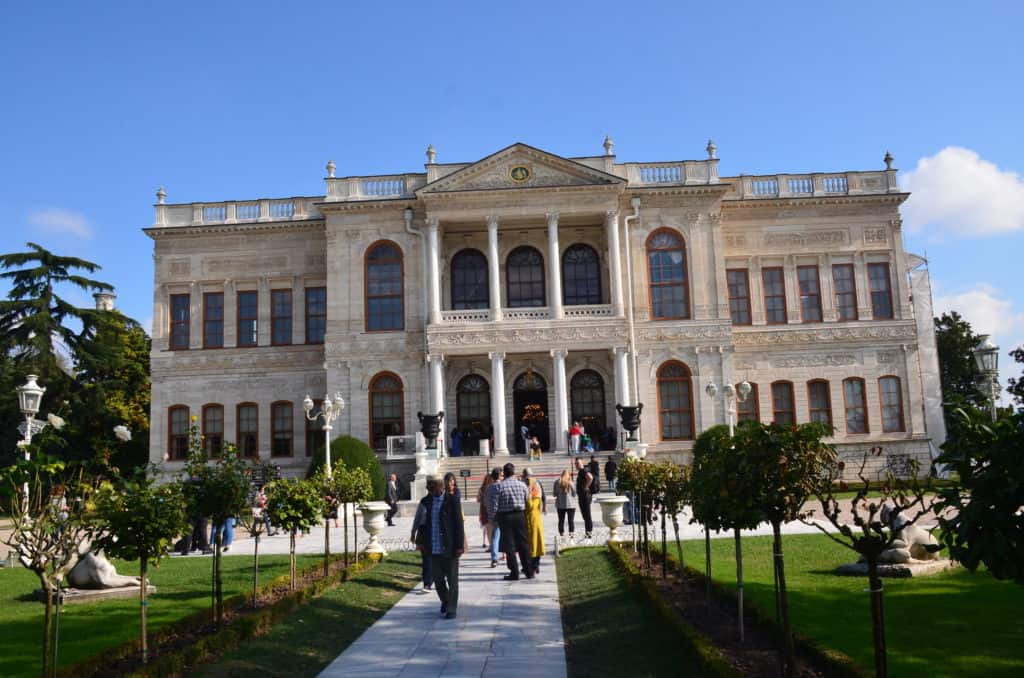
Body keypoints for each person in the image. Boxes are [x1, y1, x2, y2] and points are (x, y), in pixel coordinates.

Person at [414, 475, 464, 618]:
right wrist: (420, 541)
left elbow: (458, 524)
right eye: (428, 486)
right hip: (433, 547)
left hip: (449, 546)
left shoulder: (452, 500)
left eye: (431, 486)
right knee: (438, 579)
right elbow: (422, 525)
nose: (428, 489)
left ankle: (451, 609)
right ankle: (446, 600)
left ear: (440, 486)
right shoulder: (425, 502)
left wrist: (459, 545)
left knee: (452, 580)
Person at [488, 462, 533, 580]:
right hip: (520, 515)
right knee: (523, 543)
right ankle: (529, 570)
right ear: (514, 472)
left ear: (505, 473)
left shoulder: (500, 487)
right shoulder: (522, 485)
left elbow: (495, 505)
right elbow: (528, 500)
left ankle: (514, 572)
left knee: (509, 546)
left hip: (505, 517)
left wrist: (494, 518)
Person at [410, 478, 435, 592]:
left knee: (435, 559)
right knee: (426, 558)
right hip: (424, 532)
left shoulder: (440, 500)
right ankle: (427, 583)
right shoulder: (424, 501)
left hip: (436, 532)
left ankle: (434, 579)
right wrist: (413, 532)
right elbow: (417, 518)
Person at [521, 468, 546, 576]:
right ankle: (531, 566)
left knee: (535, 544)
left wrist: (527, 496)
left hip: (533, 520)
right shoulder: (532, 486)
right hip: (527, 520)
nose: (526, 482)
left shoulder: (535, 489)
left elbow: (531, 506)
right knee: (530, 545)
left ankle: (534, 566)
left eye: (527, 479)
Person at [484, 467, 503, 567]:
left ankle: (494, 558)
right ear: (499, 476)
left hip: (492, 515)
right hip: (502, 514)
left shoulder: (488, 488)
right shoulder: (502, 486)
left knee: (495, 537)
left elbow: (486, 502)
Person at [553, 469, 577, 545]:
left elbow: (554, 494)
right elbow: (574, 493)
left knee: (561, 521)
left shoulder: (557, 482)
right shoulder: (570, 482)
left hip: (560, 504)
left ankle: (562, 537)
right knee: (571, 521)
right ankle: (571, 538)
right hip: (571, 505)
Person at [575, 457, 595, 542]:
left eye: (578, 463)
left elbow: (590, 478)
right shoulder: (581, 472)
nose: (577, 465)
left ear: (582, 463)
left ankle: (589, 534)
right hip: (582, 496)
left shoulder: (583, 470)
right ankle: (587, 533)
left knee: (587, 515)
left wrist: (586, 487)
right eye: (576, 464)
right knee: (585, 516)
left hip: (585, 496)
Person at [476, 471, 496, 549]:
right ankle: (492, 545)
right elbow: (478, 499)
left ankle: (492, 545)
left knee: (489, 529)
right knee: (490, 529)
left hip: (487, 509)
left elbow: (478, 499)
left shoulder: (483, 488)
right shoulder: (491, 487)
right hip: (488, 510)